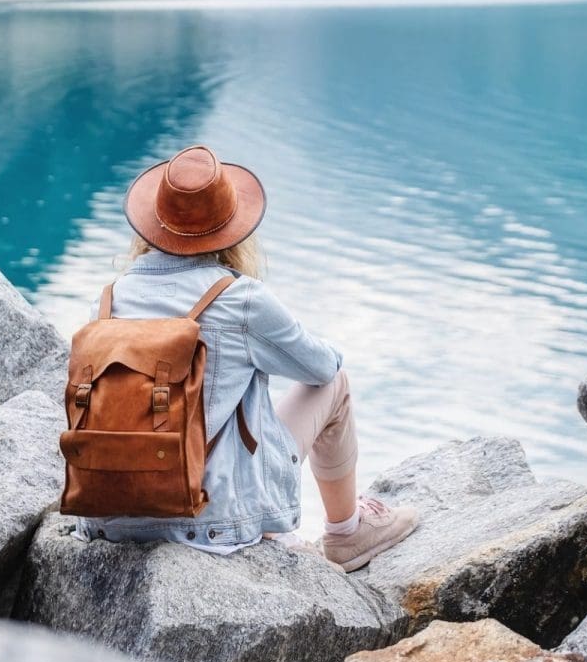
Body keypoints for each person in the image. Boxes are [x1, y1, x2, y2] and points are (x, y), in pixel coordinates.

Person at [75, 144, 419, 570]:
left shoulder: (108, 299)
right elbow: (321, 367)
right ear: (230, 230)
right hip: (205, 521)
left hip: (106, 517)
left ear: (152, 226)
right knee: (337, 384)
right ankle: (346, 533)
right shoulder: (240, 300)